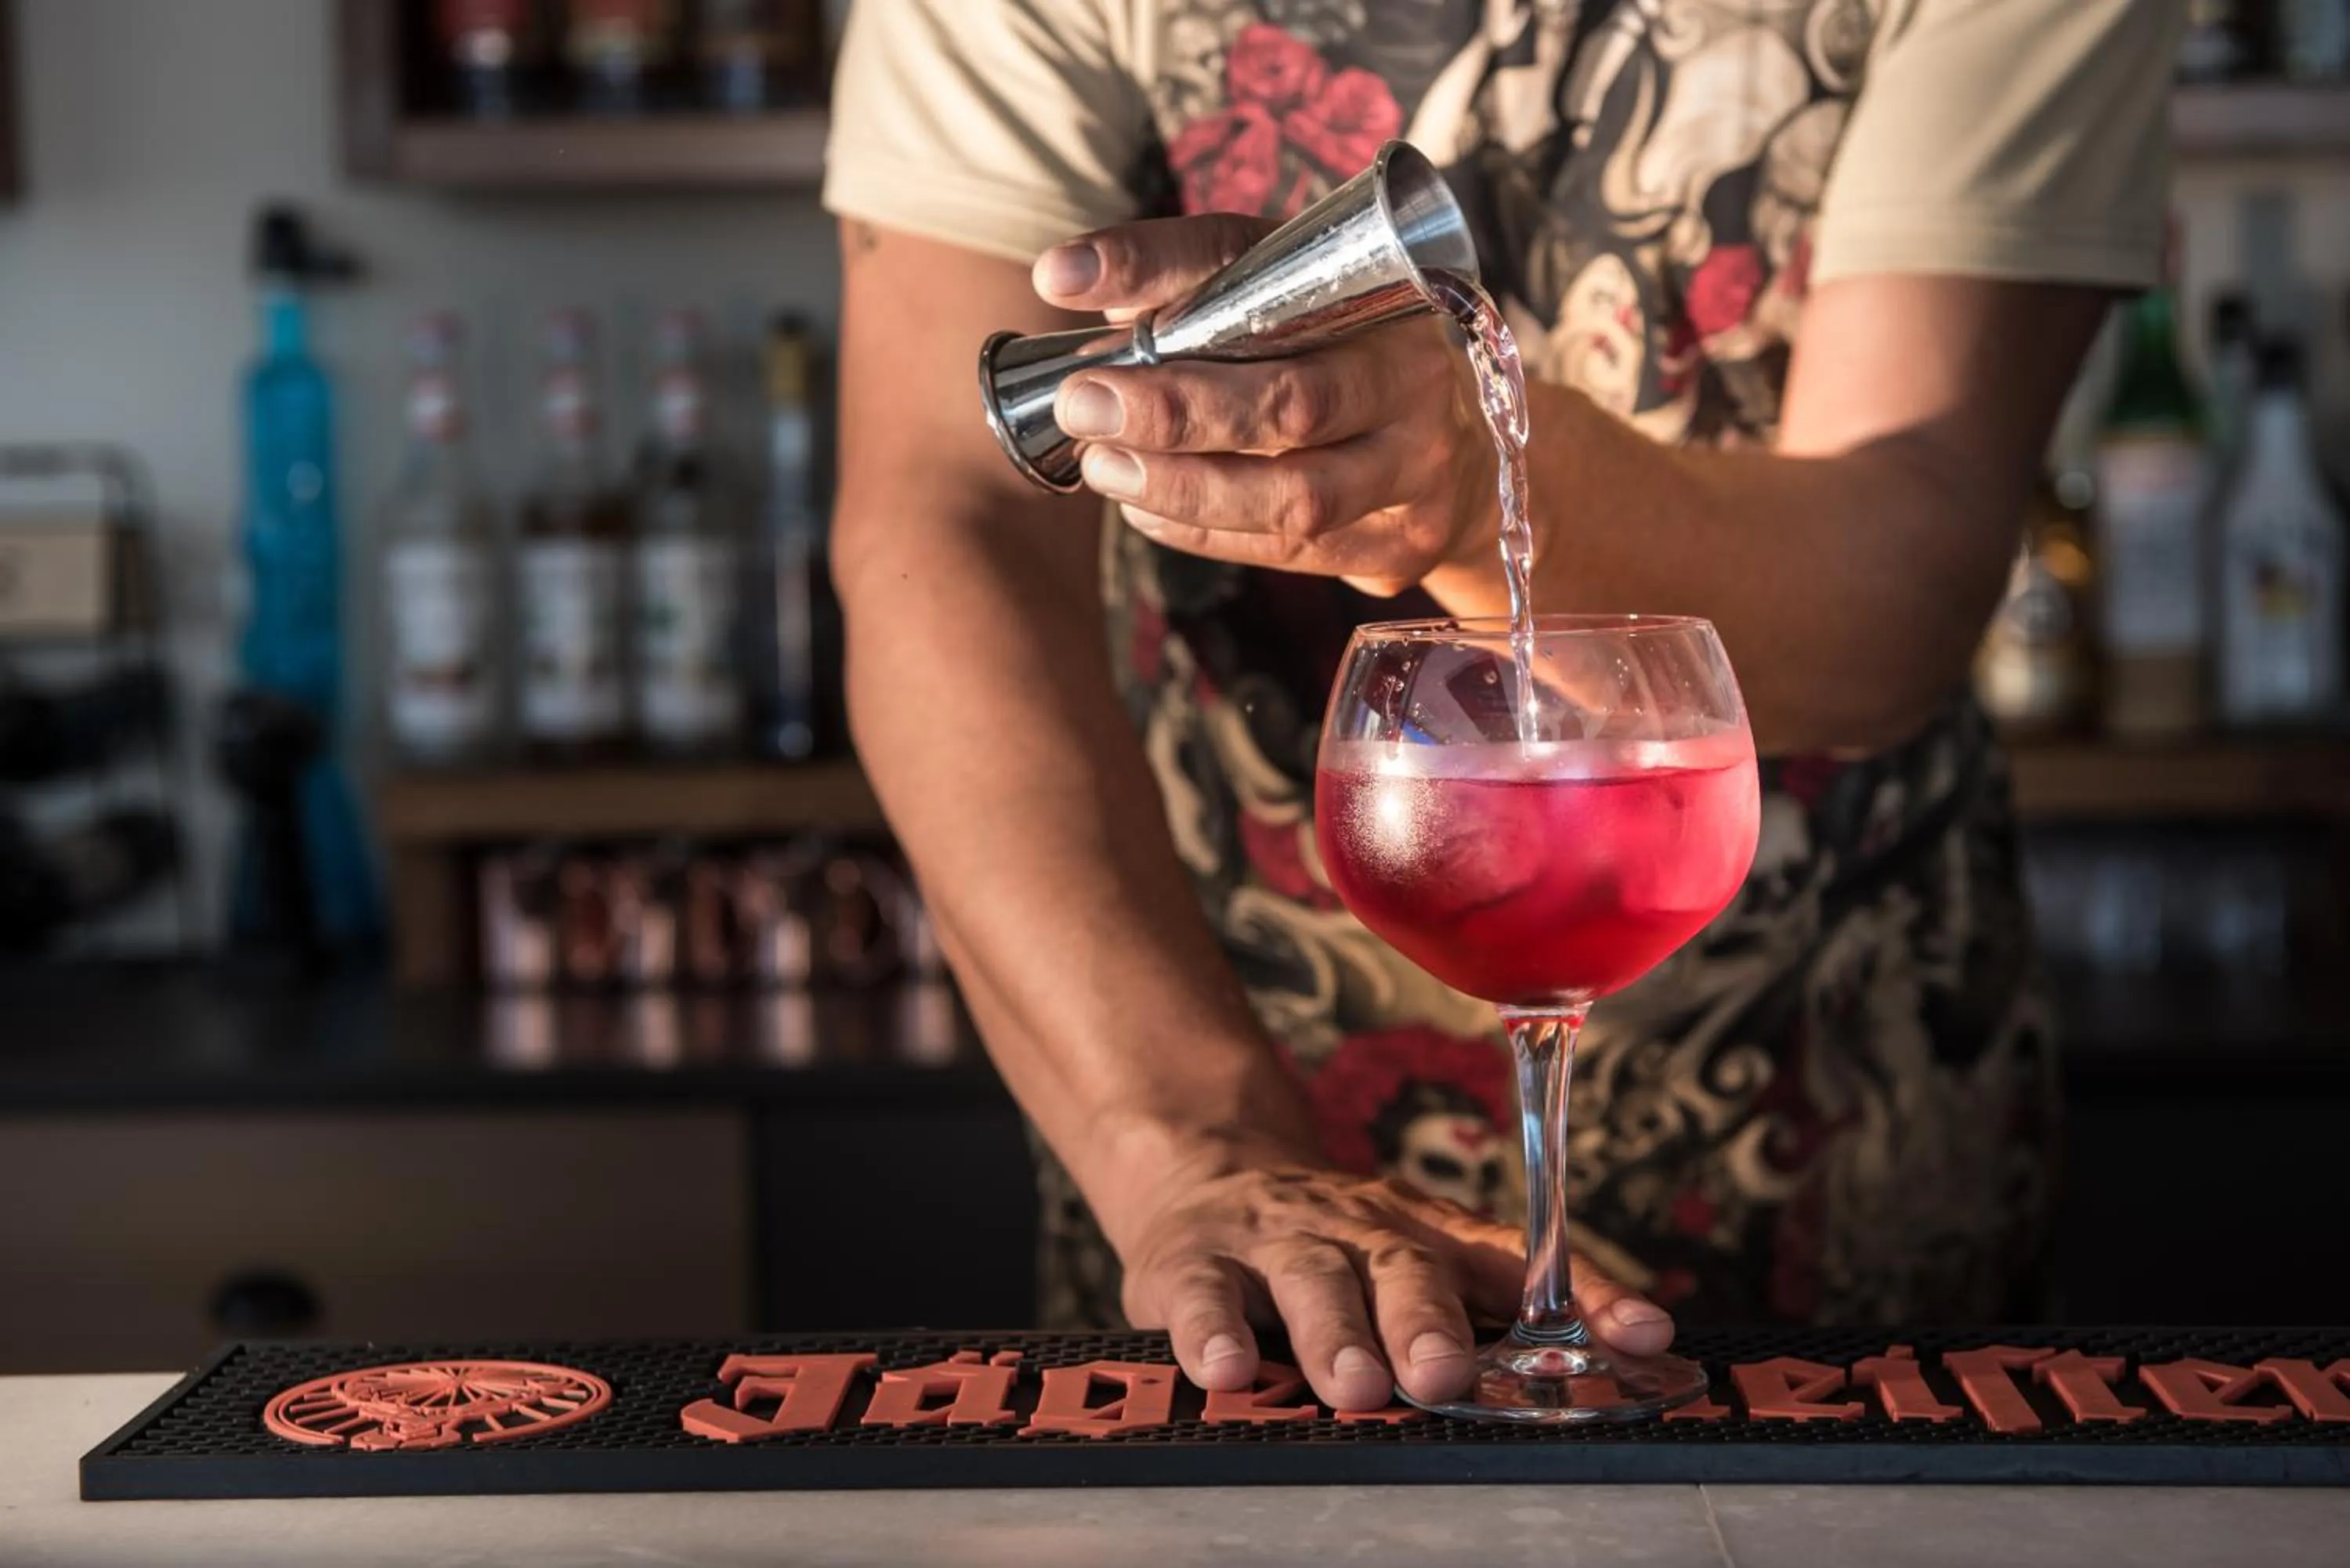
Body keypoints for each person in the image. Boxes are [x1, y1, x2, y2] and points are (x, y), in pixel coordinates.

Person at [822, 0, 2178, 1411]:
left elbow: (1902, 578)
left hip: (1840, 1126)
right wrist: (1191, 1142)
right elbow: (949, 531)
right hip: (1192, 1130)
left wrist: (1463, 492)